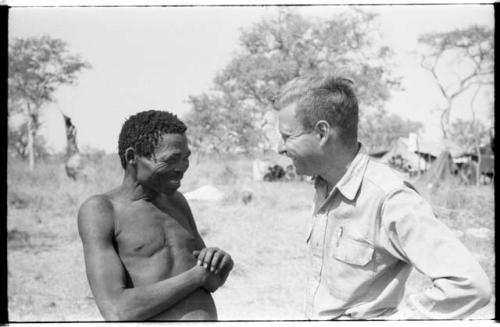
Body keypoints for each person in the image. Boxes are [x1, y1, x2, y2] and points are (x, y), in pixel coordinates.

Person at [275, 75, 491, 320]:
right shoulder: (323, 186)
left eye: (287, 137)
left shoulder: (390, 198)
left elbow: (470, 285)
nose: (279, 148)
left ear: (322, 132)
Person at [77, 110, 233, 321]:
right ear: (132, 157)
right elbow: (116, 310)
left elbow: (210, 281)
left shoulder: (176, 201)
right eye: (171, 159)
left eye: (186, 158)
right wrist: (196, 277)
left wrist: (221, 265)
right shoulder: (102, 211)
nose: (181, 168)